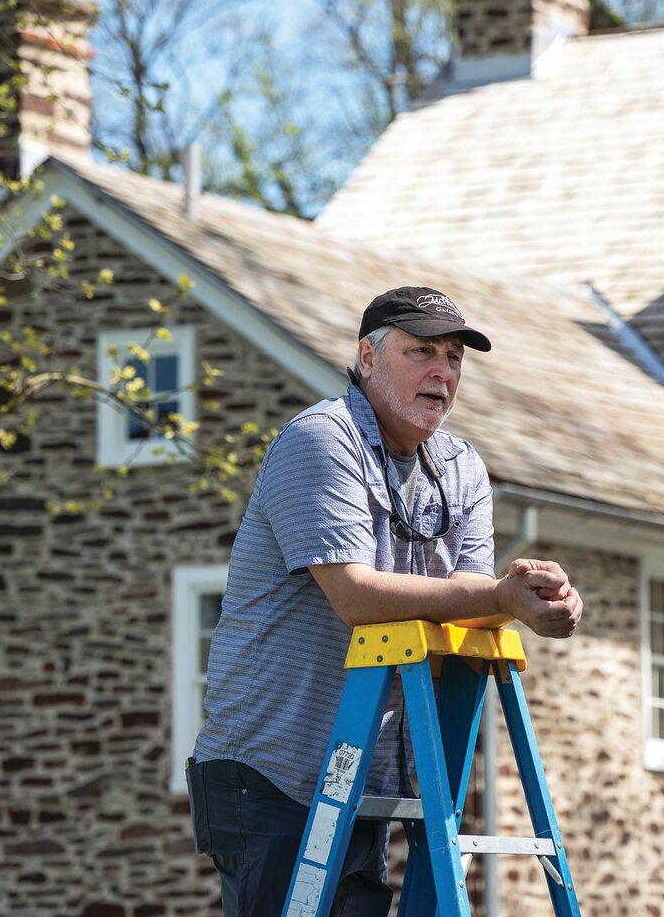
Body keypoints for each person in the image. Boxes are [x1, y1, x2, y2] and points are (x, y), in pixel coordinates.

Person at [185, 286, 584, 917]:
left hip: (356, 773)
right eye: (421, 350)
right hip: (268, 770)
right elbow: (355, 594)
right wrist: (498, 595)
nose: (442, 371)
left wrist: (531, 602)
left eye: (454, 357)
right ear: (367, 359)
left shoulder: (461, 467)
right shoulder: (321, 441)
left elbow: (470, 604)